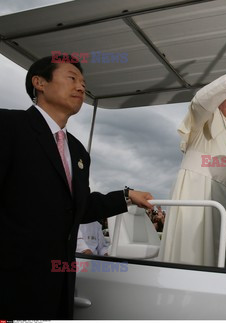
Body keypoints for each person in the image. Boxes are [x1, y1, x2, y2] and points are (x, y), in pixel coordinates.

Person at [0, 55, 154, 320]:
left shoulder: (78, 150)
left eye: (83, 83)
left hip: (58, 287)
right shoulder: (8, 127)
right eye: (72, 78)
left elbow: (78, 209)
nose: (81, 88)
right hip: (10, 284)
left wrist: (126, 196)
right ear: (39, 83)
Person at [159, 49, 226, 268]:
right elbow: (199, 101)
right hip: (199, 201)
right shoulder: (203, 120)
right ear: (220, 97)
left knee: (221, 265)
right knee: (196, 261)